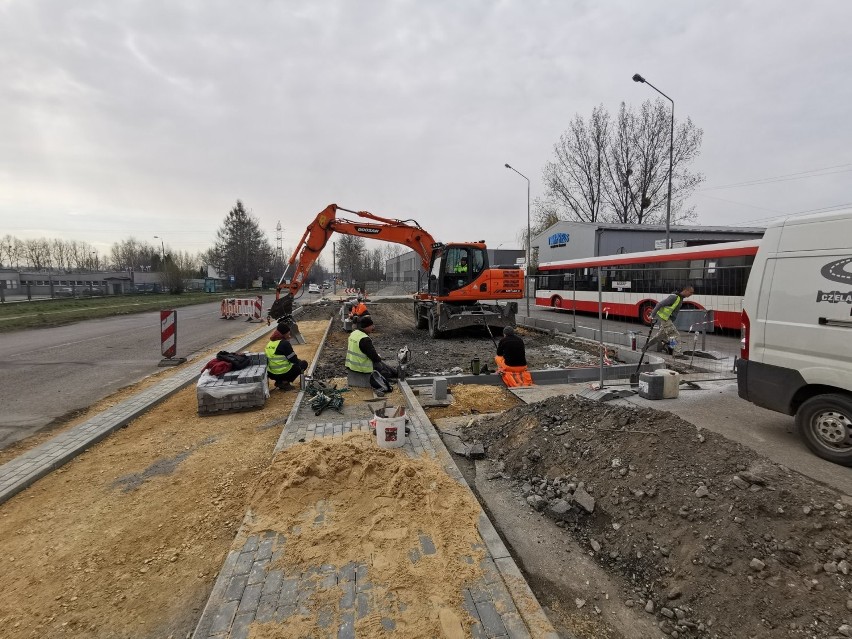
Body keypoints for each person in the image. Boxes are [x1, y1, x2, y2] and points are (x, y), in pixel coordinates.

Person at [345, 316, 398, 387]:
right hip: (362, 368)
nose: (373, 328)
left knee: (382, 364)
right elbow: (374, 358)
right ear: (367, 326)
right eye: (371, 326)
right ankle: (395, 374)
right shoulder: (364, 339)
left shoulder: (354, 333)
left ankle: (396, 372)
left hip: (352, 365)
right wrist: (379, 358)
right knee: (381, 367)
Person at [650, 285, 695, 358]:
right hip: (666, 319)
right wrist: (652, 315)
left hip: (668, 319)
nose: (691, 294)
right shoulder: (674, 297)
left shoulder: (680, 298)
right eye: (691, 292)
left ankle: (647, 346)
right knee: (675, 335)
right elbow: (659, 304)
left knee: (660, 336)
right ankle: (677, 353)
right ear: (686, 290)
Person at [265, 322, 308, 390]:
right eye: (288, 332)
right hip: (283, 373)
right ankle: (284, 382)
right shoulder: (284, 343)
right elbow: (293, 360)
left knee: (292, 363)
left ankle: (279, 381)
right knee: (303, 364)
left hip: (272, 374)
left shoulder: (269, 343)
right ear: (284, 333)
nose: (289, 334)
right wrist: (299, 362)